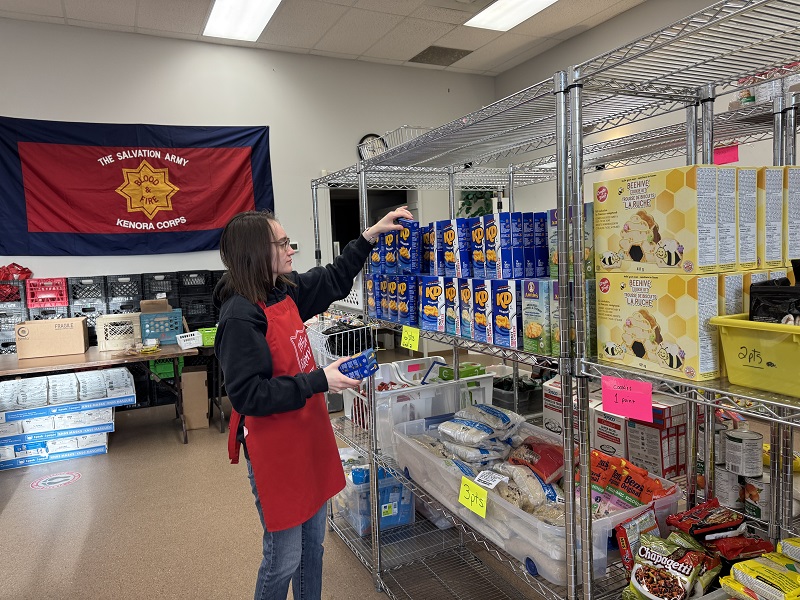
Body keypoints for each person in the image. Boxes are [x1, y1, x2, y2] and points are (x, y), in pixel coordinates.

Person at [212, 206, 412, 600]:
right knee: (282, 559)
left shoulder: (280, 290)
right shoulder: (240, 315)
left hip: (308, 437)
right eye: (283, 243)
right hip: (276, 451)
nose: (291, 250)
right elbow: (249, 394)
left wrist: (369, 236)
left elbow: (333, 279)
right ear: (255, 252)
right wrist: (320, 379)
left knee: (311, 550)